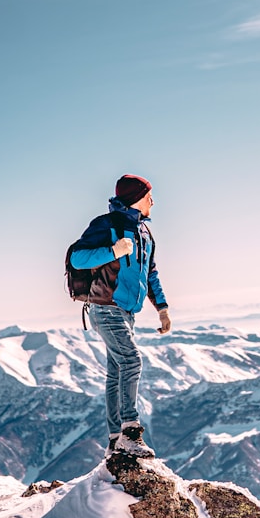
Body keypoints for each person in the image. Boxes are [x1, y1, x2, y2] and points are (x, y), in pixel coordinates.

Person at [70, 174, 171, 458]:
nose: (153, 201)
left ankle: (115, 438)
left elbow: (150, 273)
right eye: (149, 195)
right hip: (105, 307)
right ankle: (130, 431)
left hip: (127, 312)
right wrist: (112, 251)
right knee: (131, 360)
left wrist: (162, 308)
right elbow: (78, 258)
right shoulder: (107, 225)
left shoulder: (144, 233)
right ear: (137, 197)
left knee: (116, 372)